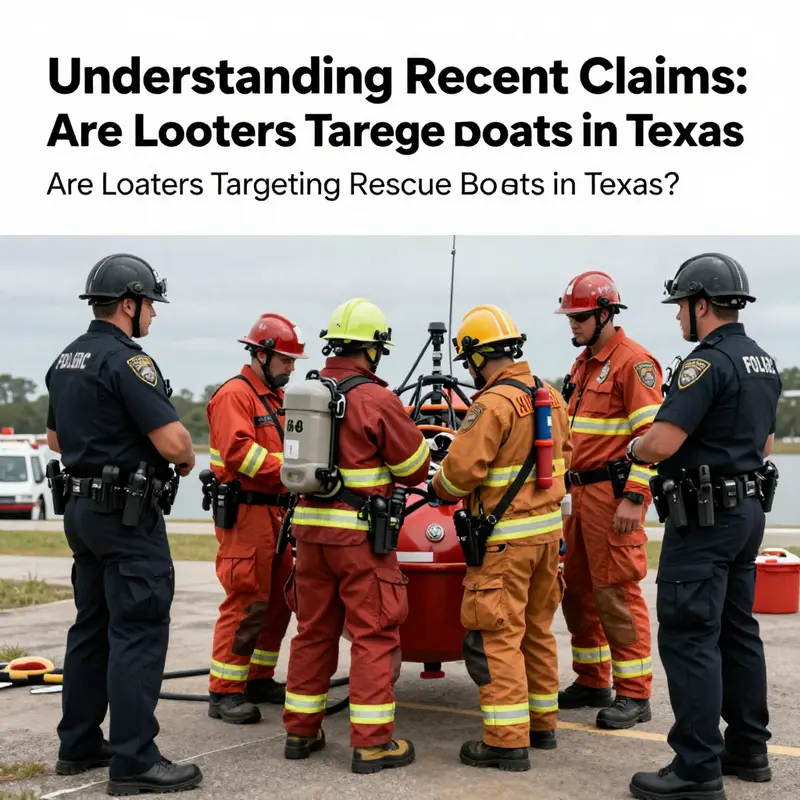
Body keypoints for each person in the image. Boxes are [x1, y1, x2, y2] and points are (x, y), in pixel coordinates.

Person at [44, 254, 202, 794]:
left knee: (91, 626)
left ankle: (80, 743)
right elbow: (175, 441)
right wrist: (181, 457)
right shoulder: (128, 362)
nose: (153, 316)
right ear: (129, 304)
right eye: (150, 305)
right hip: (126, 517)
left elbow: (56, 442)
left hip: (82, 513)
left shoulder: (65, 359)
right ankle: (134, 759)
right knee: (138, 627)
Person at [627, 253, 781, 800]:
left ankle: (696, 767)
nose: (677, 319)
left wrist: (634, 448)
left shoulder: (704, 364)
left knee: (691, 637)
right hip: (747, 516)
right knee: (739, 632)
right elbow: (762, 445)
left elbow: (662, 442)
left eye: (680, 308)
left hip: (704, 520)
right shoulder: (763, 361)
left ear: (700, 305)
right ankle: (749, 750)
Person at [281, 297, 430, 774]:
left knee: (313, 631)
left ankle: (301, 733)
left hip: (310, 536)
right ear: (374, 350)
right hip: (361, 540)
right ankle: (372, 744)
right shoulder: (375, 399)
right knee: (374, 634)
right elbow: (413, 469)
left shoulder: (309, 391)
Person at [429, 304, 572, 772]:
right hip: (548, 538)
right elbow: (563, 458)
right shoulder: (551, 395)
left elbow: (460, 474)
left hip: (504, 545)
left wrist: (437, 484)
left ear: (475, 356)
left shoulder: (490, 405)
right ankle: (541, 725)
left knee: (498, 637)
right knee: (536, 631)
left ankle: (506, 742)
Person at [552, 272, 663, 730]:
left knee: (616, 592)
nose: (572, 325)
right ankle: (593, 679)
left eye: (579, 317)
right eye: (571, 317)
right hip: (577, 496)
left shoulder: (633, 363)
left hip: (612, 495)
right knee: (576, 592)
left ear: (605, 314)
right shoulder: (582, 365)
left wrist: (635, 497)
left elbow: (652, 439)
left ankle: (635, 693)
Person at [204, 313, 307, 723]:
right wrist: (295, 469)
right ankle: (225, 690)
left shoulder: (274, 397)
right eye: (285, 359)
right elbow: (240, 455)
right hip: (247, 514)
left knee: (279, 598)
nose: (291, 367)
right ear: (261, 354)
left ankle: (259, 677)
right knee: (247, 601)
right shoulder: (235, 396)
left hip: (276, 514)